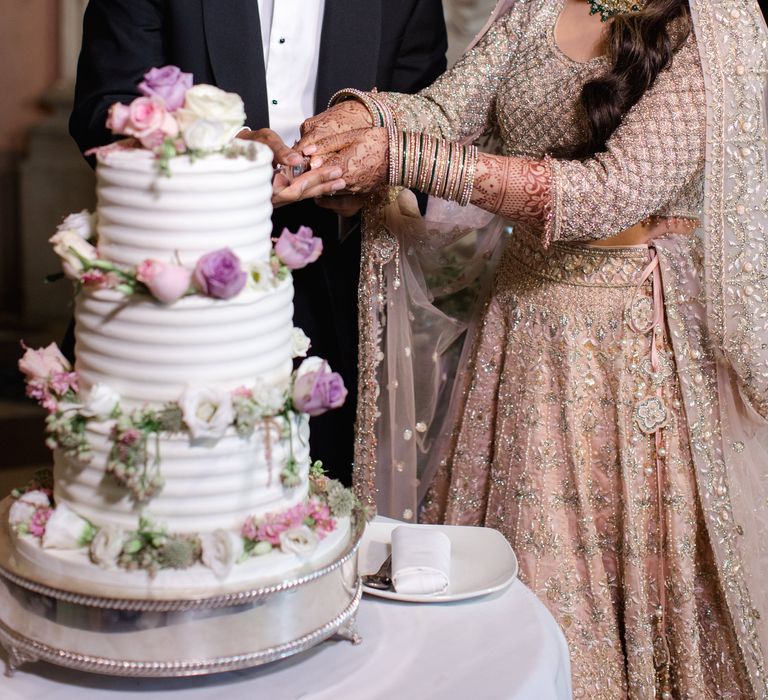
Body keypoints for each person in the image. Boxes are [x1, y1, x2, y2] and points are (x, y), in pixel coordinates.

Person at [296, 0, 768, 695]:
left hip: (626, 354)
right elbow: (448, 110)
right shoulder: (539, 5)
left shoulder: (720, 24)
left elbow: (609, 193)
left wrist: (404, 157)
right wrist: (356, 122)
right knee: (495, 612)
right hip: (515, 341)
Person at [68, 0, 448, 486]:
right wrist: (222, 155)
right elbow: (103, 110)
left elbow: (433, 123)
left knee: (325, 512)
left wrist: (375, 182)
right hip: (174, 294)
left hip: (343, 301)